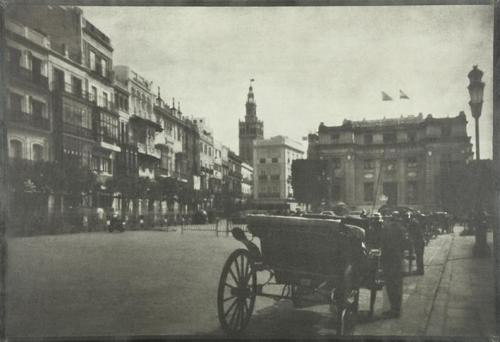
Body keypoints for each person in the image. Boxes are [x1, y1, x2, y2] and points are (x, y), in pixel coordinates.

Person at [380, 212, 405, 318]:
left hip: (389, 259)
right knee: (397, 285)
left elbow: (382, 243)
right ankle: (396, 310)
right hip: (398, 259)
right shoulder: (401, 228)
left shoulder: (386, 229)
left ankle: (394, 311)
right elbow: (405, 244)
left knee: (391, 285)